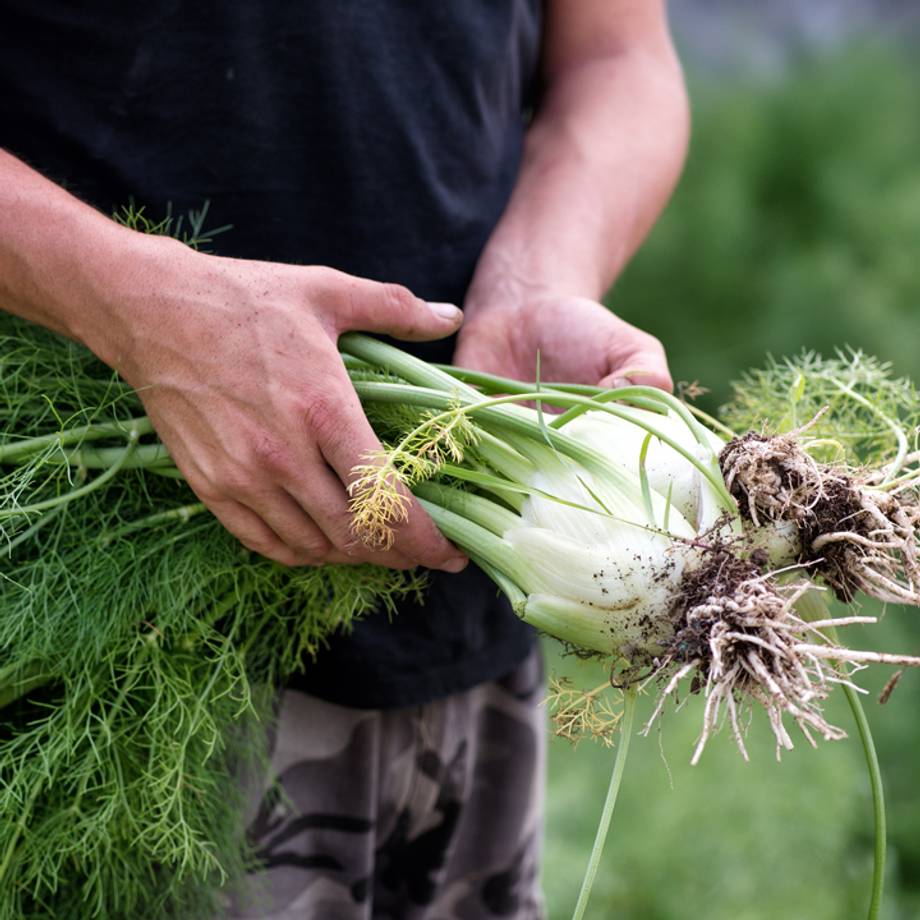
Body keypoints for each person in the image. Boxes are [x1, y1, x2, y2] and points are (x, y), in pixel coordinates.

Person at [0, 1, 688, 916]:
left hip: (473, 623)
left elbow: (617, 58)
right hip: (100, 648)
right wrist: (136, 304)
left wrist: (542, 278)